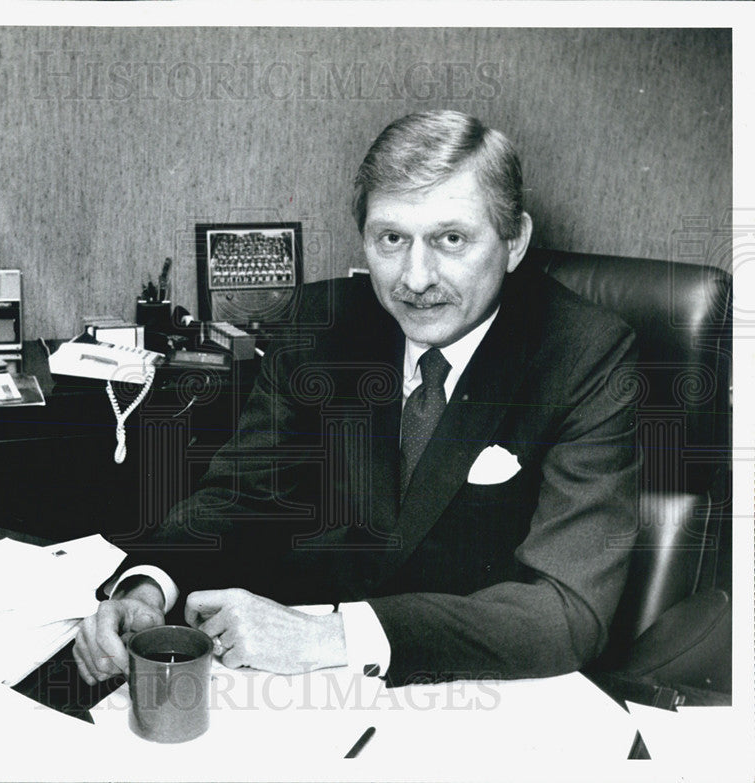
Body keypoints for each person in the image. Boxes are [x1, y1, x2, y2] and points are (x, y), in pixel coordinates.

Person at [74, 110, 639, 687]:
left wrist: (334, 638)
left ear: (515, 240)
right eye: (392, 239)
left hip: (483, 693)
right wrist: (149, 584)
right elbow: (239, 495)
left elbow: (568, 611)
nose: (416, 280)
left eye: (452, 239)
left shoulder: (585, 356)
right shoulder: (321, 324)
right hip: (305, 696)